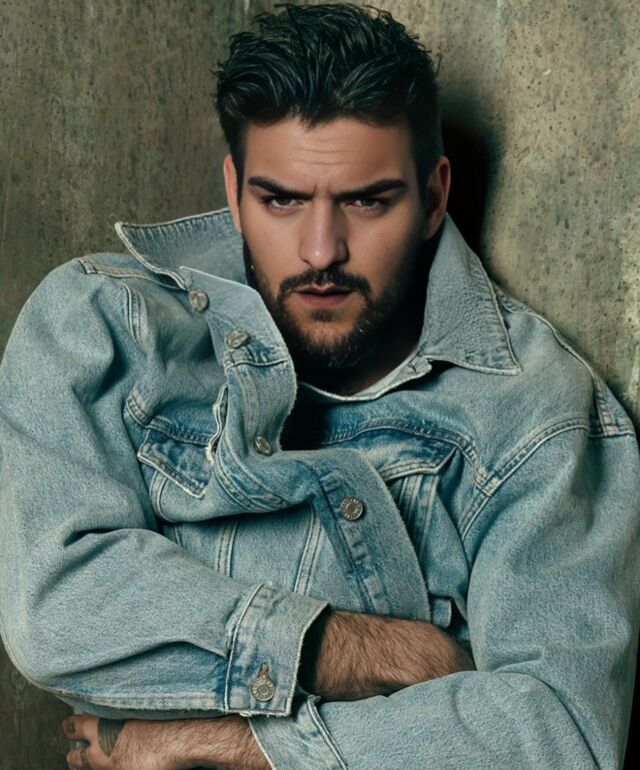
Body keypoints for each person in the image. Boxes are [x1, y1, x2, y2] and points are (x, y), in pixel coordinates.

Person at [0, 3, 638, 769]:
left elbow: (560, 733)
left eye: (367, 201)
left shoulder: (533, 413)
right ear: (234, 190)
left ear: (434, 197)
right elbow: (53, 610)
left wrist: (229, 745)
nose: (321, 251)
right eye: (282, 200)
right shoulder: (105, 328)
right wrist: (360, 651)